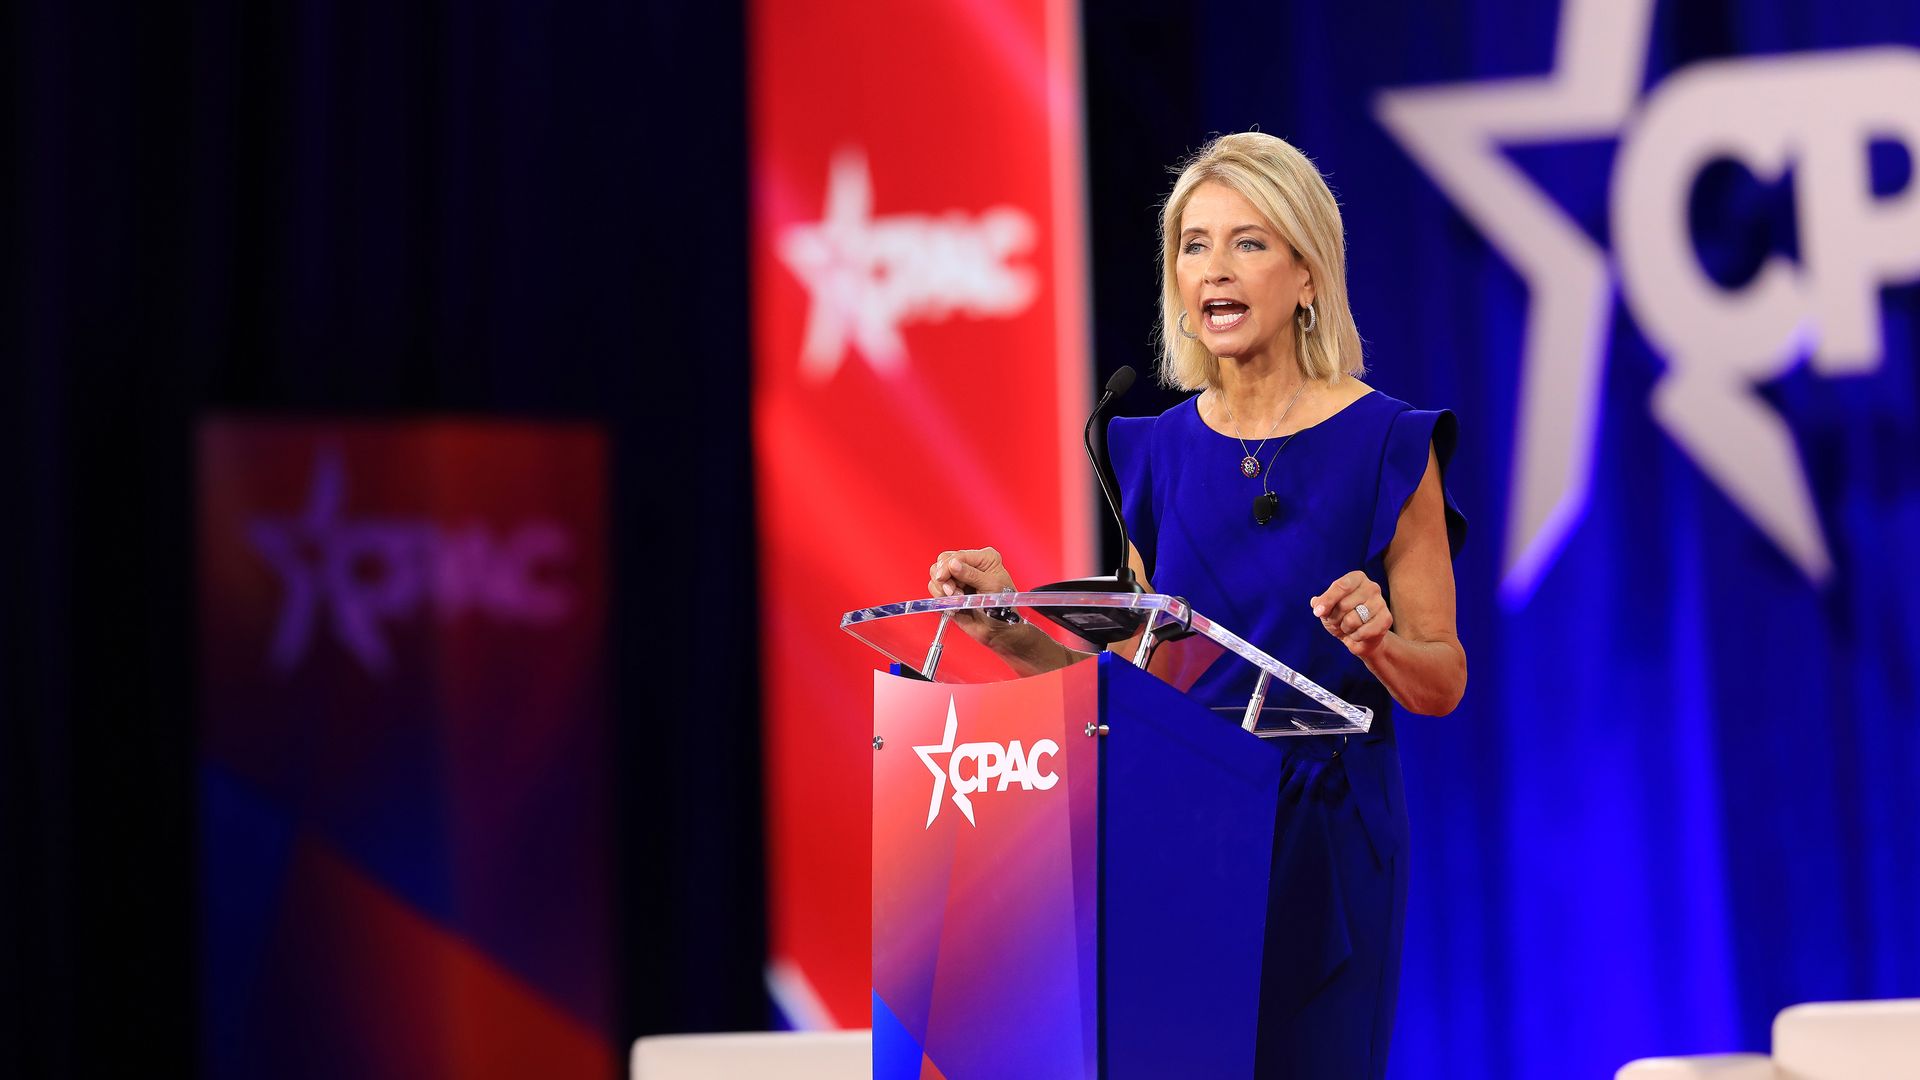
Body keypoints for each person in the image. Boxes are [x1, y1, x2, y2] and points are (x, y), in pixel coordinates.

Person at [924, 131, 1466, 1078]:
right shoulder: (1155, 453)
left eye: (1249, 242)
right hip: (1187, 827)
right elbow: (1138, 696)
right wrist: (1010, 629)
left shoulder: (1388, 444)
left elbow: (1442, 679)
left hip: (1329, 839)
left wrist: (1379, 641)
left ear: (1307, 274)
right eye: (1194, 244)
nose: (1215, 268)